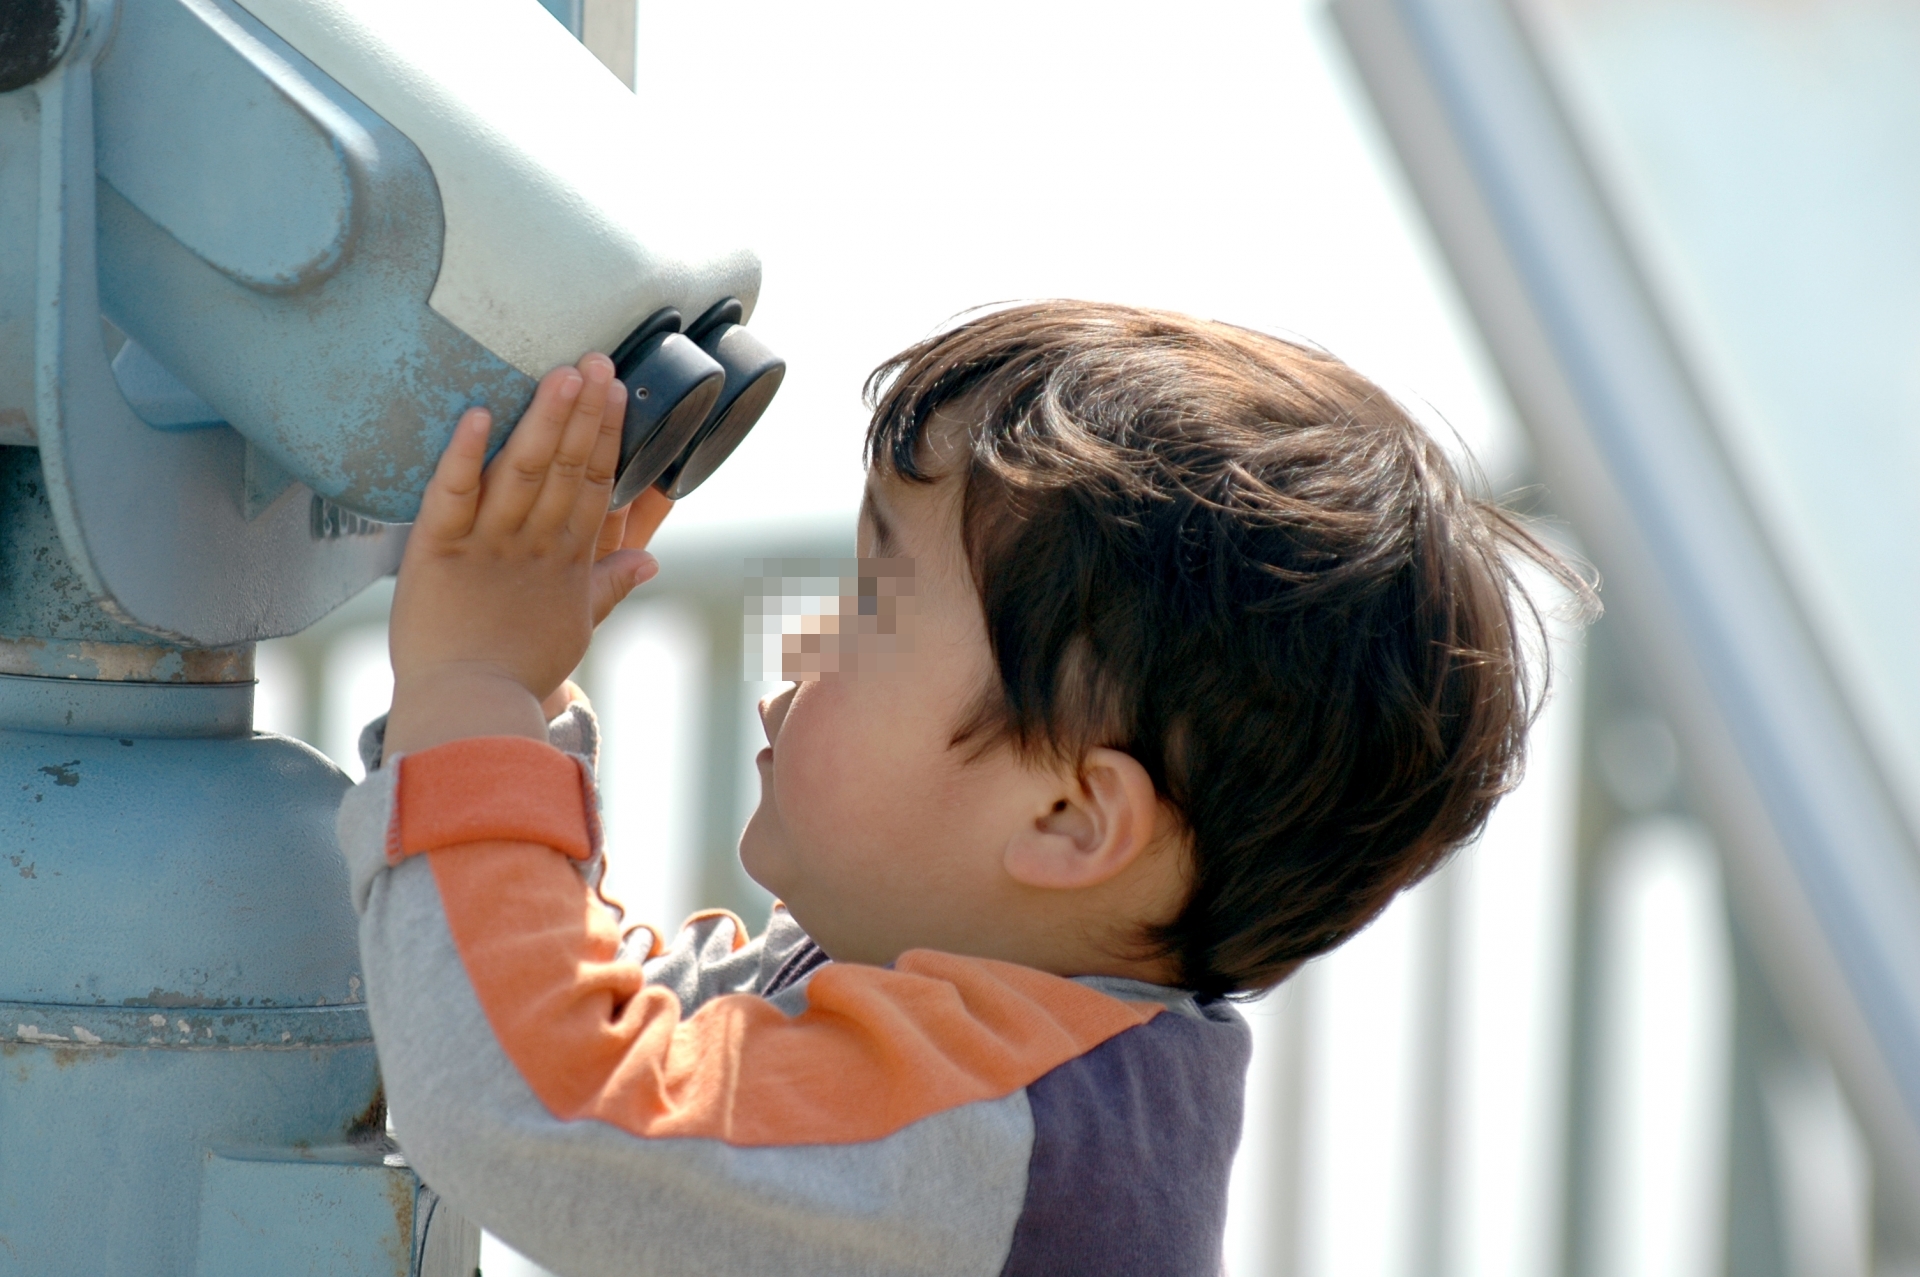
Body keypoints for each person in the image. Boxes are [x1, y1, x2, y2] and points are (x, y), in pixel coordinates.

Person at [338, 302, 1590, 1276]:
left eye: (871, 617)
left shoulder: (996, 1137)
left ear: (1068, 819)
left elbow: (543, 1102)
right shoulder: (1026, 1068)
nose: (801, 648)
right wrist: (517, 703)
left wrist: (475, 684)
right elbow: (591, 1025)